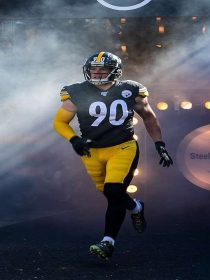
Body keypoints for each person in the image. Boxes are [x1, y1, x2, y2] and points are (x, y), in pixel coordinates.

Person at [53, 51, 173, 261]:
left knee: (114, 189)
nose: (97, 72)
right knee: (111, 194)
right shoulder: (77, 91)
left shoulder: (130, 89)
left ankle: (108, 242)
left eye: (103, 69)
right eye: (93, 68)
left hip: (122, 147)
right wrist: (75, 140)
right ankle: (135, 207)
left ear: (114, 71)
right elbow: (60, 122)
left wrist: (159, 144)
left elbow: (149, 117)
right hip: (92, 151)